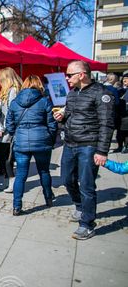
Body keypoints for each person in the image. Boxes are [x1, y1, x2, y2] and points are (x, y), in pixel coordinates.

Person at [53, 60, 114, 240]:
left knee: (87, 185)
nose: (66, 77)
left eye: (69, 75)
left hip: (89, 145)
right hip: (70, 144)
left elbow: (106, 124)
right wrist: (62, 118)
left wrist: (102, 151)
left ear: (82, 75)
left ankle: (87, 224)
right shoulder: (72, 94)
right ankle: (79, 206)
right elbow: (70, 116)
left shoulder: (102, 94)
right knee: (66, 179)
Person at [6, 75, 57, 215]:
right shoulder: (44, 101)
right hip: (42, 140)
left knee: (21, 175)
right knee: (44, 171)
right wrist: (50, 139)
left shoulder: (15, 102)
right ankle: (48, 198)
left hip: (21, 142)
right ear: (39, 85)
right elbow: (52, 125)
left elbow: (9, 125)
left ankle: (17, 206)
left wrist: (16, 134)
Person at [0, 67, 22, 193]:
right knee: (4, 155)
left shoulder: (13, 91)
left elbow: (10, 111)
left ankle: (11, 182)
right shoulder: (11, 90)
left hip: (8, 129)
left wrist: (3, 128)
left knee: (6, 156)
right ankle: (9, 181)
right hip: (6, 127)